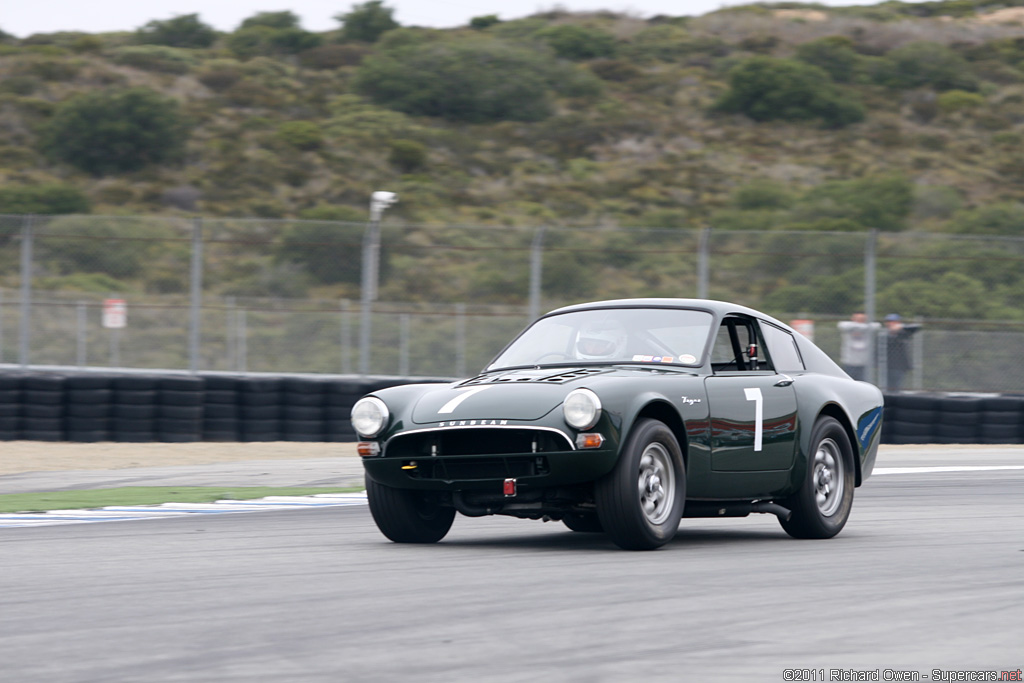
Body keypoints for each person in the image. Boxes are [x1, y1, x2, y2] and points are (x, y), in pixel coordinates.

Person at [883, 313, 921, 391]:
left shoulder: (903, 333)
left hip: (899, 365)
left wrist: (900, 327)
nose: (891, 324)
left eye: (893, 322)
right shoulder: (883, 334)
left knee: (896, 386)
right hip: (887, 365)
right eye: (889, 321)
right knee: (887, 386)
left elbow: (917, 327)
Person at [837, 312, 880, 381]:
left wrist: (860, 326)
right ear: (853, 319)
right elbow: (841, 325)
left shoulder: (871, 327)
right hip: (849, 362)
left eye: (862, 319)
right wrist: (861, 326)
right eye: (858, 318)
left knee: (864, 383)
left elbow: (877, 326)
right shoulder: (847, 326)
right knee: (849, 382)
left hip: (864, 363)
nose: (860, 320)